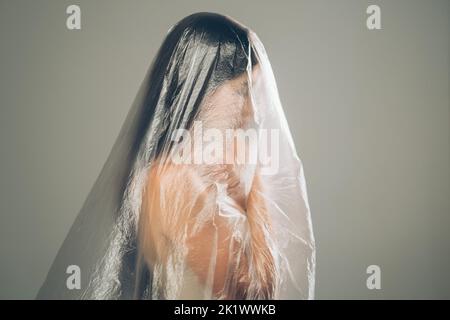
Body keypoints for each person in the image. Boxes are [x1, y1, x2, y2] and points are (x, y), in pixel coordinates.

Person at [37, 12, 315, 300]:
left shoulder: (188, 173)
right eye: (242, 91)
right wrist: (253, 190)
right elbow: (254, 294)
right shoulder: (174, 181)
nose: (253, 111)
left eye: (254, 92)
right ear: (203, 88)